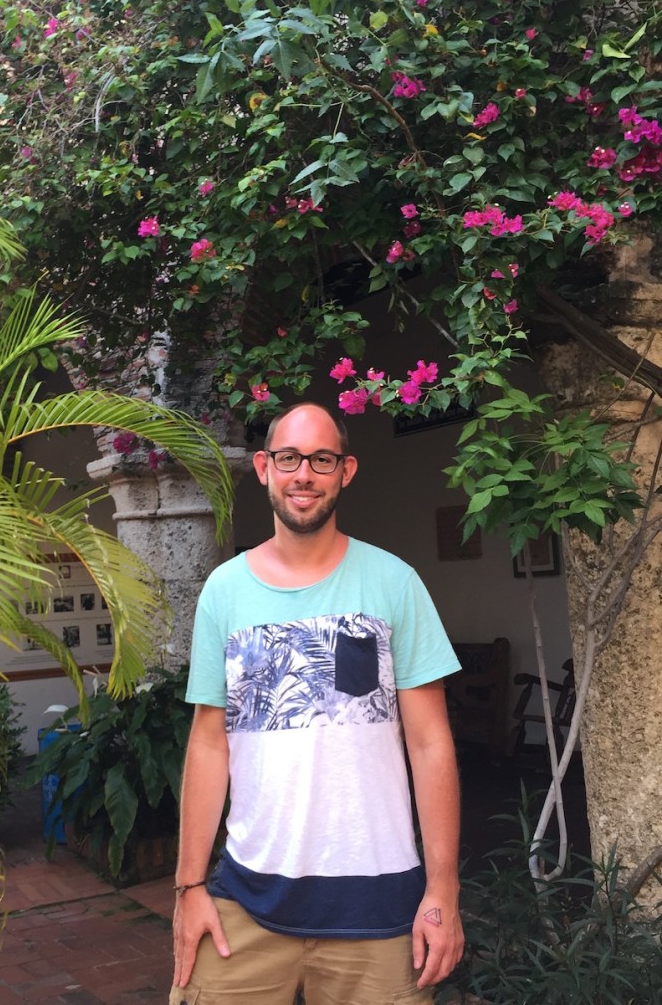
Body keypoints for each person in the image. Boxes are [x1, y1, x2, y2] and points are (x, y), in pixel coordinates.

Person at [170, 401, 464, 1005]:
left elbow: (430, 744)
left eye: (321, 459)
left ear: (345, 471)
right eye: (289, 458)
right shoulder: (223, 591)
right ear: (263, 467)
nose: (303, 474)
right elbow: (208, 743)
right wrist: (188, 886)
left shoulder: (395, 583)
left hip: (380, 907)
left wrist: (443, 891)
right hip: (246, 900)